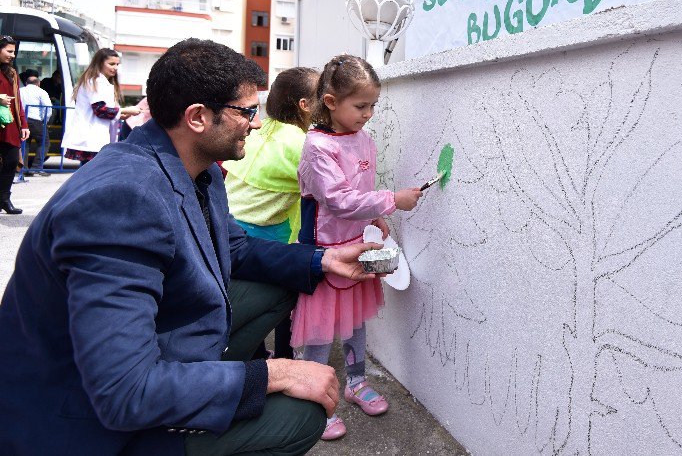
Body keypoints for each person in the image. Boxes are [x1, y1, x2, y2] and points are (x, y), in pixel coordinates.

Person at [0, 39, 386, 455]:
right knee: (299, 417)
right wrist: (271, 374)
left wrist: (324, 258)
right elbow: (123, 392)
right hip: (81, 425)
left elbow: (236, 249)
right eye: (247, 112)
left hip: (138, 358)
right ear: (198, 118)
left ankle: (197, 386)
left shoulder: (195, 170)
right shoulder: (120, 201)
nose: (256, 125)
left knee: (287, 279)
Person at [291, 54, 424, 441]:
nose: (368, 114)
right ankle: (313, 401)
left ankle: (355, 381)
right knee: (319, 331)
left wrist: (374, 219)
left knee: (355, 321)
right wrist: (391, 201)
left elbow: (361, 194)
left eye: (372, 106)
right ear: (331, 103)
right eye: (360, 106)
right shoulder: (317, 147)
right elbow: (338, 200)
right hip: (324, 251)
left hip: (357, 243)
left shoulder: (362, 137)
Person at [223, 66, 320, 359]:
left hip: (227, 226)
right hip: (260, 235)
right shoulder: (302, 143)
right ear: (304, 105)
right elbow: (328, 189)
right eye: (323, 98)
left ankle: (256, 356)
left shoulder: (260, 130)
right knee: (283, 298)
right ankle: (281, 359)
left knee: (242, 304)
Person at [62, 48, 141, 164]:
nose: (115, 67)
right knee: (90, 175)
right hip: (90, 137)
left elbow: (103, 112)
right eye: (111, 64)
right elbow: (100, 110)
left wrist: (120, 115)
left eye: (117, 64)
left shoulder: (101, 82)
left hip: (95, 137)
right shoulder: (95, 81)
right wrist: (127, 110)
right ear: (100, 63)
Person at [0, 35, 29, 214]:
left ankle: (4, 199)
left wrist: (24, 125)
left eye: (14, 52)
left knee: (11, 162)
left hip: (10, 126)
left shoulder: (12, 73)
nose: (12, 55)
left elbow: (18, 101)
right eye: (9, 51)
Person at [19, 74, 52, 177]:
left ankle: (23, 168)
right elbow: (48, 108)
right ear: (38, 83)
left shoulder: (20, 90)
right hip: (36, 120)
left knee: (25, 144)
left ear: (26, 83)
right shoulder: (41, 92)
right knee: (44, 142)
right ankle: (37, 167)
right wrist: (45, 121)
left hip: (22, 120)